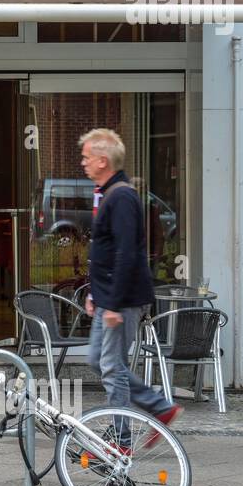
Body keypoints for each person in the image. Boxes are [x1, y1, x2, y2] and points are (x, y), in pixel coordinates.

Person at [80, 128, 178, 446]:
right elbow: (108, 253)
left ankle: (120, 439)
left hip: (121, 300)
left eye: (87, 157)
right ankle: (158, 407)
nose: (83, 163)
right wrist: (96, 294)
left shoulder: (121, 196)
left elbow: (126, 254)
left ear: (103, 160)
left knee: (111, 365)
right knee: (99, 359)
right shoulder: (111, 193)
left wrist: (112, 304)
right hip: (109, 296)